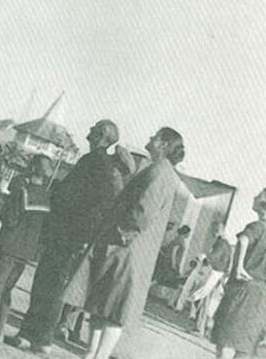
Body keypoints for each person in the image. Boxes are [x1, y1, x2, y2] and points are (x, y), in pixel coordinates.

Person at [64, 126, 185, 359]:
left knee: (114, 309)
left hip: (127, 251)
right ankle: (92, 354)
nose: (150, 138)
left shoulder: (159, 172)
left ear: (163, 145)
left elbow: (143, 212)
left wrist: (121, 234)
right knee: (102, 303)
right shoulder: (161, 171)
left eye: (155, 137)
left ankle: (99, 355)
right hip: (127, 250)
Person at [8, 120, 121, 355]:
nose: (88, 131)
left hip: (66, 234)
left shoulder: (94, 162)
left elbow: (85, 202)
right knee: (54, 287)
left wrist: (57, 197)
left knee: (46, 285)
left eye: (94, 129)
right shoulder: (103, 165)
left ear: (101, 135)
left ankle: (33, 337)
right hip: (71, 235)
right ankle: (39, 338)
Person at [0, 154, 54, 343]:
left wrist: (5, 203)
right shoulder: (46, 197)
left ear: (32, 168)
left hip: (9, 246)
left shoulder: (21, 192)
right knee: (7, 289)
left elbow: (9, 219)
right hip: (26, 251)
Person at [212, 187, 266, 359]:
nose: (254, 197)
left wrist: (238, 267)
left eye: (258, 196)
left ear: (265, 204)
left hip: (242, 292)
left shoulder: (257, 226)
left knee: (226, 344)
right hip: (260, 295)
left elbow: (243, 239)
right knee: (244, 349)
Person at [191, 223, 232, 335]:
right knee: (206, 301)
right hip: (219, 275)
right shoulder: (227, 245)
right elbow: (228, 263)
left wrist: (203, 256)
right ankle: (203, 328)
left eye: (214, 230)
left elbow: (214, 256)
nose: (212, 232)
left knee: (201, 299)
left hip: (213, 273)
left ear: (219, 230)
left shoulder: (221, 243)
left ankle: (200, 328)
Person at [153, 223, 191, 289]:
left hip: (173, 262)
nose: (189, 235)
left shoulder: (179, 239)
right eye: (188, 233)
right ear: (186, 233)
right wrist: (173, 264)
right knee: (169, 278)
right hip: (171, 262)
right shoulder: (180, 240)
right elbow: (174, 251)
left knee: (167, 278)